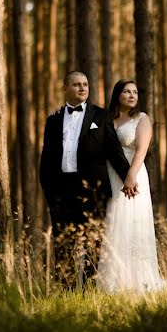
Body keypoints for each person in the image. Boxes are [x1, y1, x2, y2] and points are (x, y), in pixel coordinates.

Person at [39, 71, 135, 290]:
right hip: (61, 190)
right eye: (76, 85)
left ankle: (90, 292)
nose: (82, 88)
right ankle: (66, 292)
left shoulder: (101, 117)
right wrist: (49, 190)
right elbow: (46, 158)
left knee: (93, 243)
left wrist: (128, 177)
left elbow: (114, 151)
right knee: (63, 243)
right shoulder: (53, 120)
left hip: (94, 191)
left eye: (85, 84)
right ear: (65, 88)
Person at [98, 79, 167, 293]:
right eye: (127, 91)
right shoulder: (107, 119)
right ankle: (112, 280)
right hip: (109, 173)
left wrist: (130, 177)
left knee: (130, 222)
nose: (132, 95)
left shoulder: (142, 119)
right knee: (112, 223)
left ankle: (138, 281)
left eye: (135, 92)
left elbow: (141, 151)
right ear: (117, 94)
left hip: (133, 175)